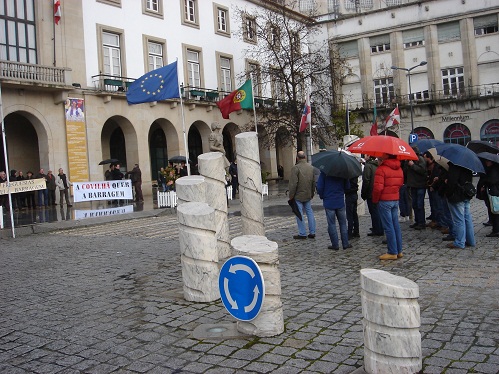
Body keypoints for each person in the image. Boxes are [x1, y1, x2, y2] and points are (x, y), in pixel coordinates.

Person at [372, 154, 404, 260]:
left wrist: (375, 200)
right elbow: (400, 183)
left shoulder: (381, 169)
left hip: (385, 200)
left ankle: (392, 252)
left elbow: (378, 188)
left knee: (388, 227)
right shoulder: (399, 168)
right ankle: (399, 251)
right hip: (395, 199)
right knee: (395, 226)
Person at [316, 171, 352, 250]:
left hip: (329, 201)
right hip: (339, 201)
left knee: (331, 224)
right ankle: (345, 243)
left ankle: (335, 244)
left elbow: (319, 187)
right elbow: (347, 186)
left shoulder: (324, 173)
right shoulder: (343, 173)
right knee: (343, 223)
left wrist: (323, 196)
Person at [444, 162, 475, 249]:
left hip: (457, 195)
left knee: (458, 219)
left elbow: (452, 182)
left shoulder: (454, 166)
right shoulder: (467, 164)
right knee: (467, 218)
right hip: (466, 193)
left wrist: (448, 191)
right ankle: (471, 240)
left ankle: (460, 242)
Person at [288, 151, 316, 239]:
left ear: (297, 158)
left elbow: (293, 183)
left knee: (299, 214)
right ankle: (312, 231)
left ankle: (302, 233)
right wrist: (312, 192)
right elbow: (313, 182)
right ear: (305, 157)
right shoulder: (311, 168)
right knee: (309, 212)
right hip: (308, 194)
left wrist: (291, 195)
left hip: (298, 195)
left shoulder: (295, 168)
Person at [404, 146, 427, 230]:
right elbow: (405, 172)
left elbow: (422, 170)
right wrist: (407, 164)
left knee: (419, 204)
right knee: (414, 204)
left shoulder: (420, 159)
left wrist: (413, 165)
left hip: (420, 185)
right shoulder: (408, 161)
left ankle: (422, 222)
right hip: (412, 185)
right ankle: (417, 221)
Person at [361, 156, 383, 237]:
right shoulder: (379, 165)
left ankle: (377, 229)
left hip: (371, 192)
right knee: (378, 211)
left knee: (374, 212)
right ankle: (379, 227)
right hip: (379, 191)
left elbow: (366, 180)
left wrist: (363, 193)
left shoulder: (368, 166)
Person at [480, 159, 499, 237]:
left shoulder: (494, 170)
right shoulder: (493, 169)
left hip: (494, 192)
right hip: (494, 191)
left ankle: (496, 230)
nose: (486, 162)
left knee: (495, 211)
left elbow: (492, 180)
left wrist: (485, 182)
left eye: (488, 161)